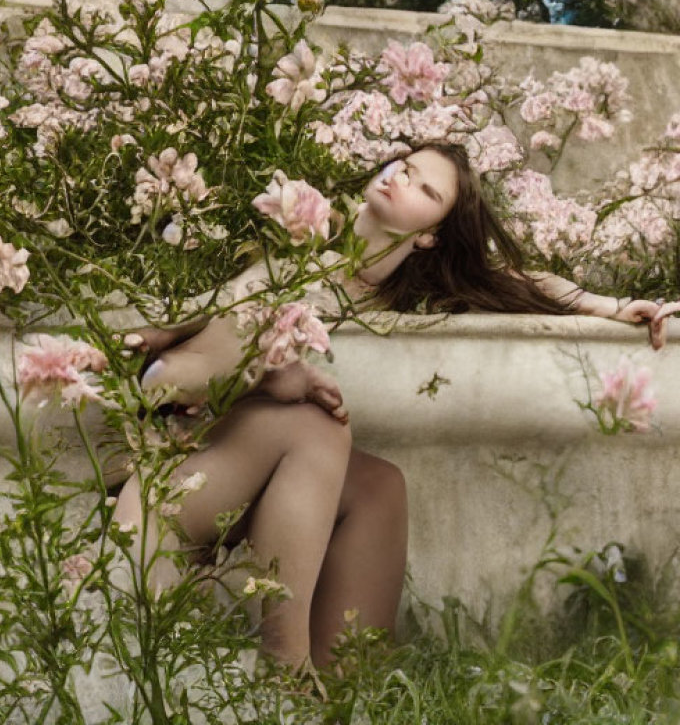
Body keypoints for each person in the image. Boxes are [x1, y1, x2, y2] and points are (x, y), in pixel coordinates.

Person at [113, 143, 680, 671]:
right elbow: (162, 380)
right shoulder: (288, 272)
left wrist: (615, 306)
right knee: (319, 426)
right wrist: (267, 380)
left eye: (425, 190)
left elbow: (513, 279)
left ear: (431, 236)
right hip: (170, 501)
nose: (401, 177)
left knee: (380, 486)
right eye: (404, 166)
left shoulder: (397, 297)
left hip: (241, 496)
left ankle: (347, 690)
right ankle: (284, 668)